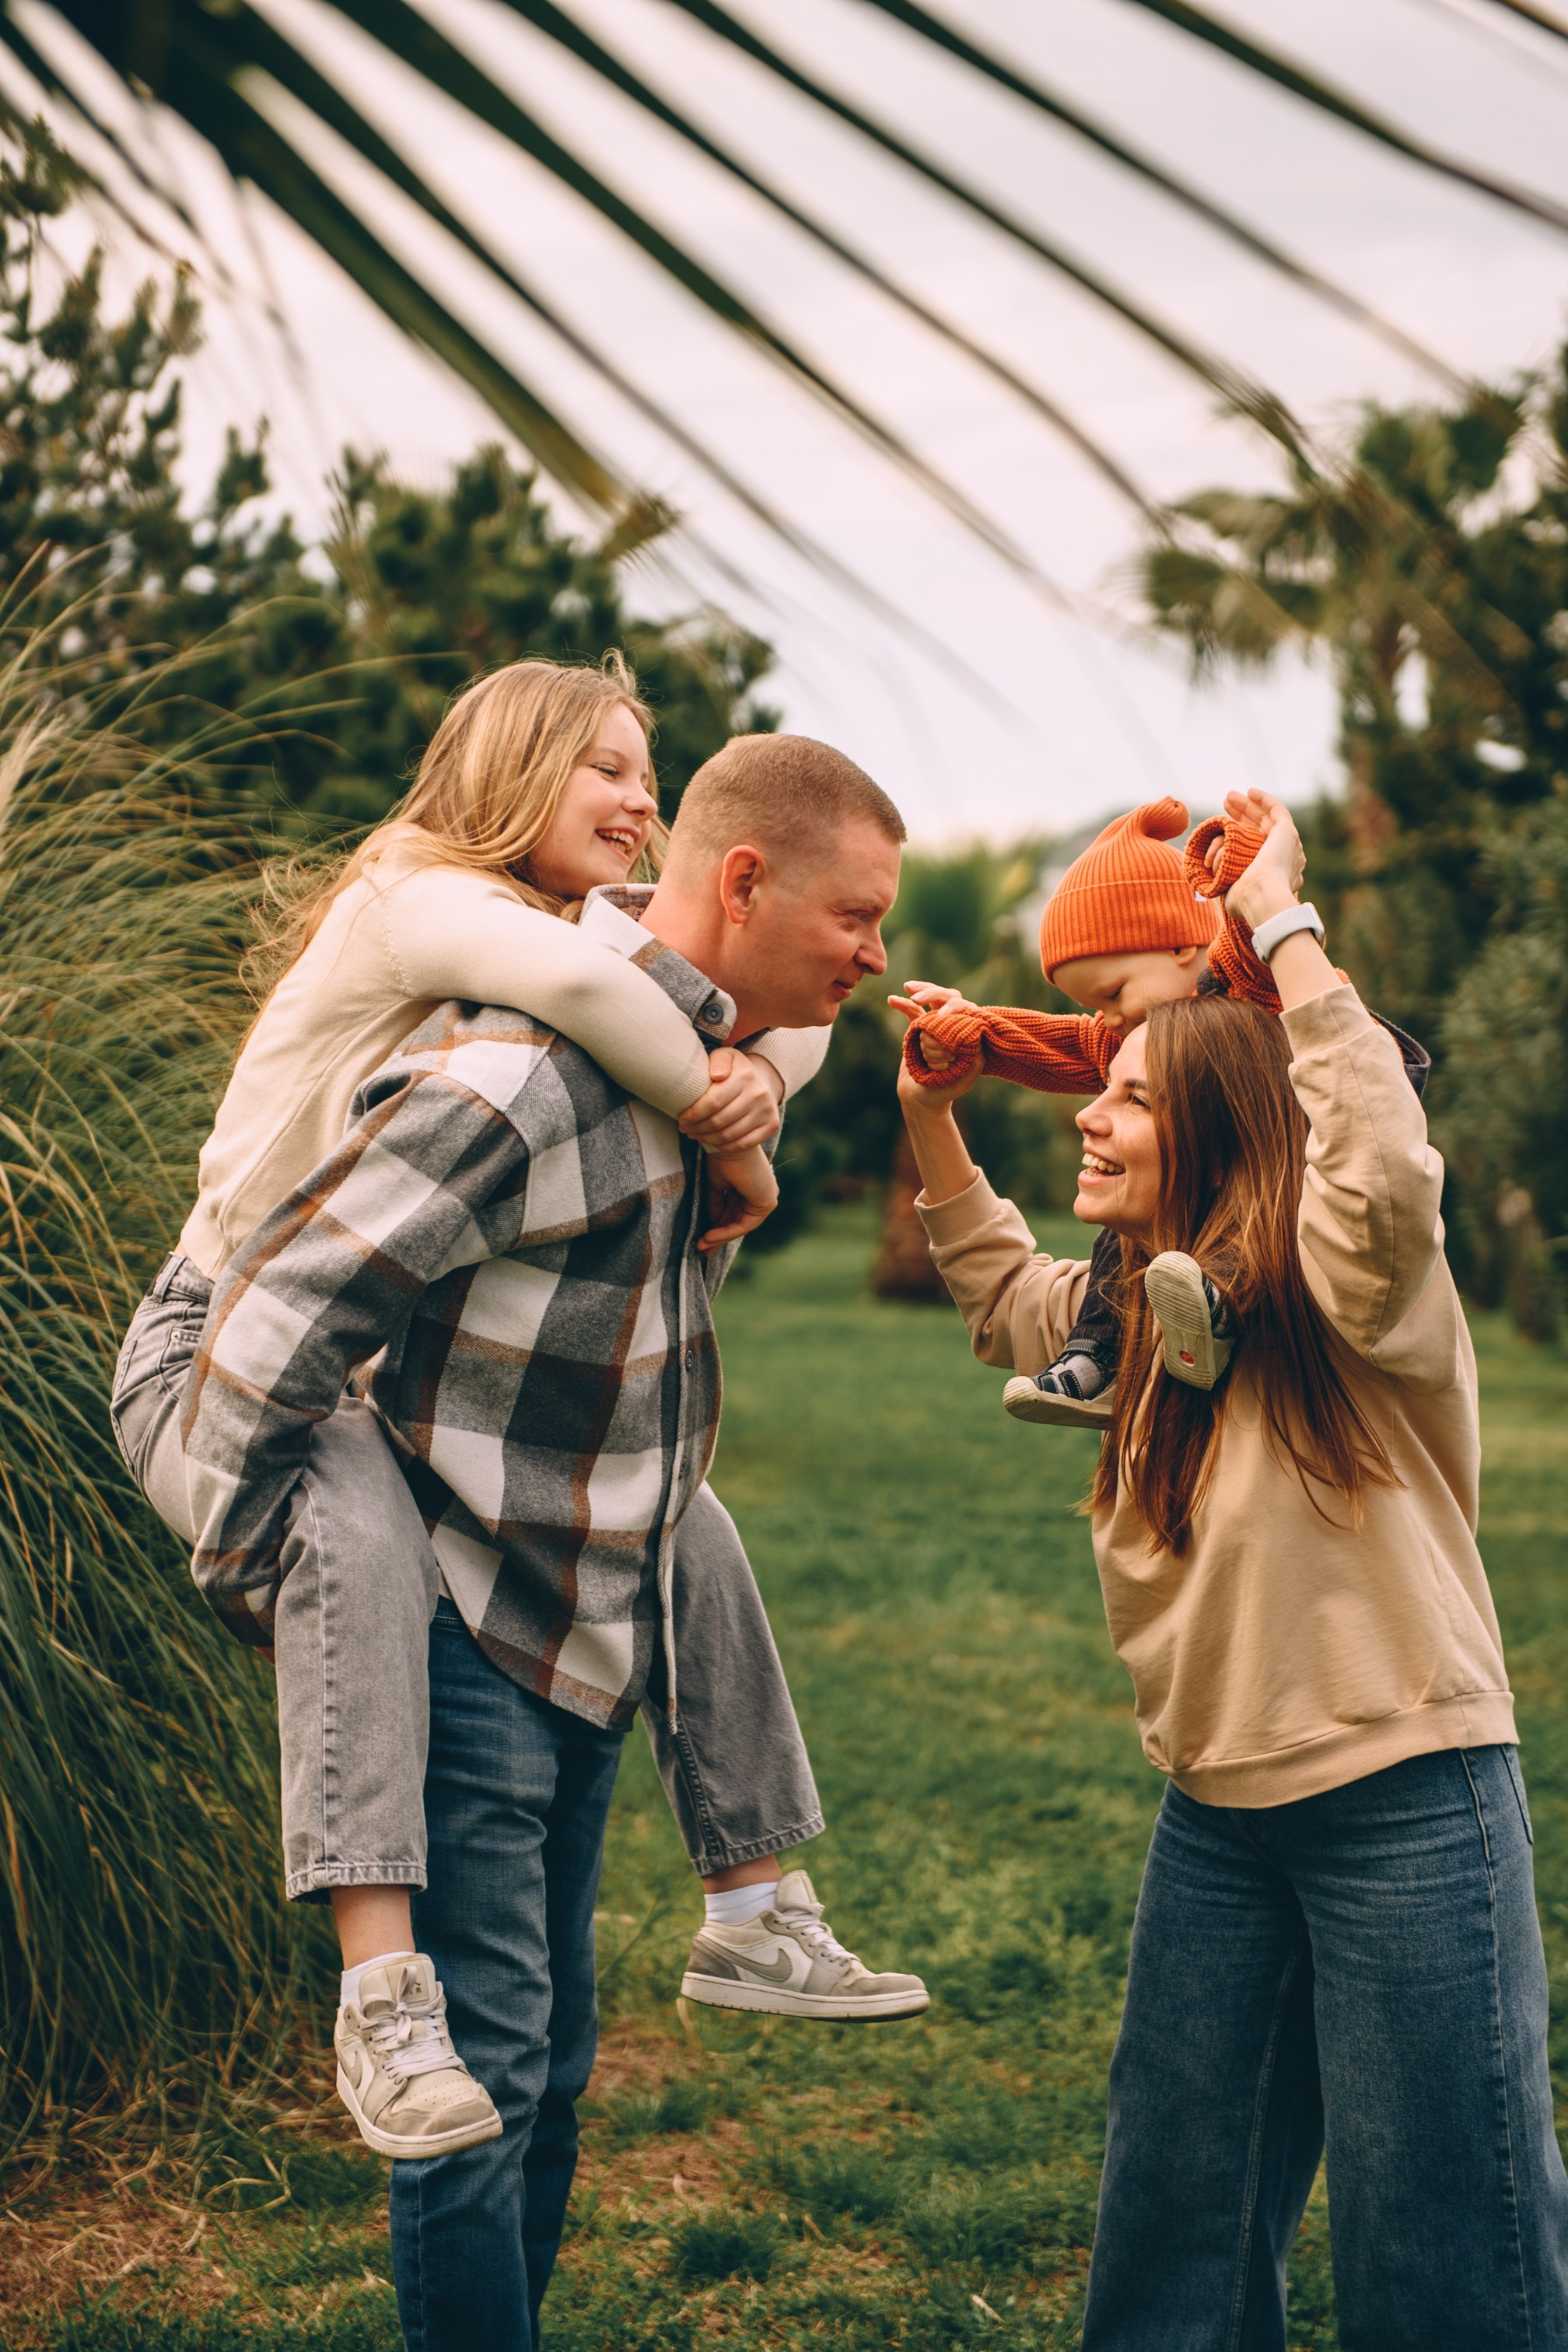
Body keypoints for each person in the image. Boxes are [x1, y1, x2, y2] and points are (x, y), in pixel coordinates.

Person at [110, 667, 927, 2165]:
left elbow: (746, 1002)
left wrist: (754, 1064)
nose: (639, 798)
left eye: (649, 770)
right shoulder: (415, 894)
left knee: (684, 1510)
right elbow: (616, 996)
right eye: (604, 764)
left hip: (333, 1346)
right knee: (356, 1530)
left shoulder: (548, 927)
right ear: (509, 764)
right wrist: (734, 1122)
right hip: (220, 1338)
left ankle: (752, 1897)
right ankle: (378, 1991)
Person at [896, 788, 1568, 2351]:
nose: (1090, 1109)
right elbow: (996, 1291)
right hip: (1214, 1813)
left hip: (1404, 1794)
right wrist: (932, 1112)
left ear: (1213, 1121)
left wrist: (1283, 924)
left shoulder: (1352, 1293)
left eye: (1129, 1094)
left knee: (1441, 2249)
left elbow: (1378, 1167)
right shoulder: (1137, 1307)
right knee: (1172, 2236)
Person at [897, 793, 1428, 1426]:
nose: (1106, 1019)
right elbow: (1057, 1045)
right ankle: (1099, 1355)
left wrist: (1249, 873)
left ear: (1180, 947)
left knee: (1257, 1212)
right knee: (1122, 1238)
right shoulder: (1137, 1042)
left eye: (1113, 992)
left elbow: (1245, 935)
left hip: (1317, 1165)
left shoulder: (1244, 989)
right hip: (1204, 1246)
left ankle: (1224, 1301)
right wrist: (975, 1035)